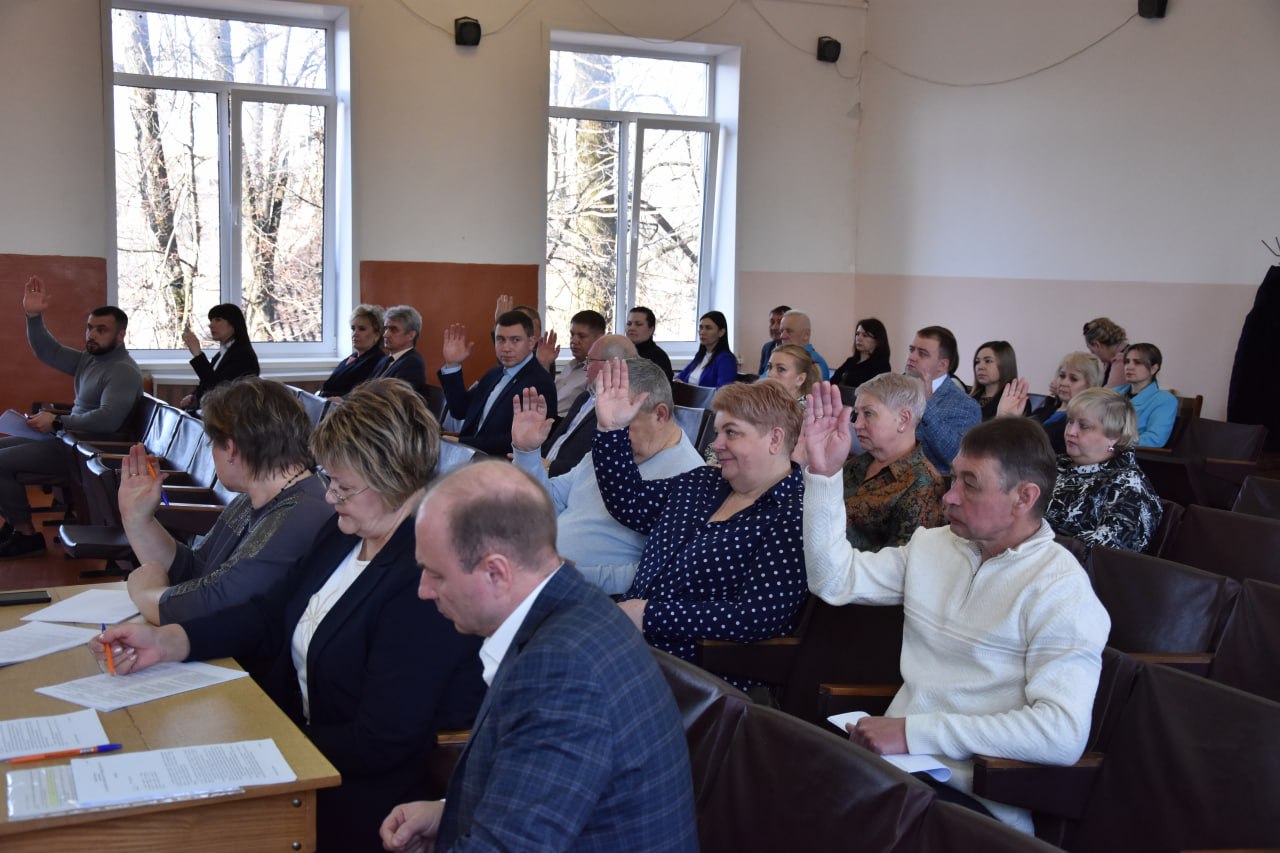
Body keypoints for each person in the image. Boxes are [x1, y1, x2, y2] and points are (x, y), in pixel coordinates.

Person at [95, 380, 486, 852]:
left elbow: (379, 741)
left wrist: (259, 743)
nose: (329, 496)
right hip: (296, 752)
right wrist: (171, 641)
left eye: (343, 486)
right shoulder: (344, 535)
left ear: (392, 479)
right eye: (329, 479)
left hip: (360, 799)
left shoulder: (425, 579)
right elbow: (269, 614)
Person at [801, 401, 1110, 833]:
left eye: (970, 484)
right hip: (896, 769)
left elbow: (1061, 733)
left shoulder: (1060, 588)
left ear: (1024, 497)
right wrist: (823, 475)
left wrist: (914, 733)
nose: (949, 496)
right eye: (955, 477)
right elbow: (833, 580)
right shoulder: (935, 546)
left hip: (975, 798)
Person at [380, 461, 698, 852]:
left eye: (436, 574)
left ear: (496, 573)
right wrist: (450, 813)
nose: (424, 590)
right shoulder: (573, 607)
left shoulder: (561, 674)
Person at [593, 364, 807, 679]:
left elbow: (755, 617)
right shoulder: (704, 482)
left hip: (691, 669)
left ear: (775, 439)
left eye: (731, 432)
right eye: (718, 432)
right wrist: (611, 430)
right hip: (627, 641)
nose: (716, 444)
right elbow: (630, 503)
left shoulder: (791, 515)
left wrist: (649, 615)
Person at [118, 378, 334, 625]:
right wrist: (138, 518)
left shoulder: (301, 513)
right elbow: (195, 571)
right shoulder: (251, 498)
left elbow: (213, 606)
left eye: (213, 443)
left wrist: (145, 593)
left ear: (231, 449)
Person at [513, 357, 703, 594]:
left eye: (622, 421)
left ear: (660, 415)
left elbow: (656, 573)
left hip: (588, 597)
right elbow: (547, 505)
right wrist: (527, 453)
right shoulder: (612, 446)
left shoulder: (690, 477)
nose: (611, 432)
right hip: (538, 573)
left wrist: (569, 577)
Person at [0, 276, 143, 558]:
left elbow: (108, 420)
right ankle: (15, 525)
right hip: (66, 440)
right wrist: (33, 316)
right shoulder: (91, 359)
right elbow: (49, 352)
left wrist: (57, 421)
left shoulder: (122, 370)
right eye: (90, 328)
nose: (92, 335)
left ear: (121, 335)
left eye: (101, 330)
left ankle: (26, 535)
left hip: (86, 452)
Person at [824, 374, 946, 552]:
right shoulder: (857, 464)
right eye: (857, 414)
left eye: (868, 414)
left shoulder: (923, 483)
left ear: (903, 419)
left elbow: (904, 561)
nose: (857, 424)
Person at [1043, 388, 1163, 553]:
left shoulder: (1129, 487)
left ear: (1114, 436)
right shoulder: (1054, 464)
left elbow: (1106, 555)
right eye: (1070, 421)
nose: (1070, 432)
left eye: (1084, 426)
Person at [438, 310, 558, 456]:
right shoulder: (494, 374)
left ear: (531, 342)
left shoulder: (540, 382)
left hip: (501, 464)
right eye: (500, 339)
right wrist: (452, 365)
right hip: (468, 456)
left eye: (515, 340)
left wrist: (464, 443)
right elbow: (460, 410)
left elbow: (523, 440)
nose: (506, 348)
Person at [541, 334, 636, 478]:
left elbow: (596, 467)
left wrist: (549, 467)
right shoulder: (585, 397)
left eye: (590, 361)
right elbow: (557, 441)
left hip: (566, 482)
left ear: (611, 365)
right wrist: (532, 456)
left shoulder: (622, 410)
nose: (585, 368)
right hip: (543, 474)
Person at [904, 325, 981, 475]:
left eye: (923, 353)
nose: (912, 357)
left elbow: (955, 455)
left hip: (927, 482)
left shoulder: (965, 405)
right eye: (912, 349)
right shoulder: (899, 389)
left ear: (942, 365)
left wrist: (927, 406)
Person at [999, 351, 1102, 454]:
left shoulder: (1080, 423)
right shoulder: (1044, 410)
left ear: (1090, 385)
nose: (1064, 383)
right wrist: (1007, 419)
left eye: (1073, 379)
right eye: (1062, 376)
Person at [178, 304, 259, 411]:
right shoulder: (221, 354)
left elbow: (218, 390)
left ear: (233, 324)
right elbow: (206, 383)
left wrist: (197, 354)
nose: (211, 325)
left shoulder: (243, 355)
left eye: (218, 320)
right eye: (211, 320)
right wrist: (194, 397)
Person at [1112, 342, 1177, 447]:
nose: (1129, 367)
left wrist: (1113, 443)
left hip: (1131, 453)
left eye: (1137, 362)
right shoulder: (1113, 393)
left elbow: (1155, 439)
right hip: (1103, 449)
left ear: (1153, 369)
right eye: (1127, 362)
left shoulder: (1165, 400)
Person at [318, 304, 385, 398]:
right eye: (353, 329)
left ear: (376, 335)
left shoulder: (378, 361)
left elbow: (362, 395)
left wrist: (341, 399)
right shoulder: (352, 357)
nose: (354, 334)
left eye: (362, 329)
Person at [549, 309, 606, 417]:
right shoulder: (572, 364)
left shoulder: (598, 373)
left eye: (581, 336)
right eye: (572, 334)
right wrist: (544, 365)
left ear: (600, 339)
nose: (573, 341)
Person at [368, 304, 428, 396]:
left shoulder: (412, 364)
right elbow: (367, 388)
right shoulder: (385, 359)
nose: (385, 335)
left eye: (393, 329)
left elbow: (395, 399)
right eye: (386, 329)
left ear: (410, 335)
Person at [676, 310, 737, 388]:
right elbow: (679, 378)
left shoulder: (726, 359)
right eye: (701, 327)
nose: (702, 332)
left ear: (721, 332)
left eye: (708, 328)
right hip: (688, 395)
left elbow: (722, 391)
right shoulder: (700, 356)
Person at [763, 310, 831, 381]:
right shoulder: (783, 356)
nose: (782, 336)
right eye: (781, 331)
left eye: (789, 331)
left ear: (806, 335)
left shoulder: (813, 363)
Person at [969, 340, 1023, 421]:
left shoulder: (1015, 401)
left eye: (988, 361)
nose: (980, 367)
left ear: (1005, 365)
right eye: (977, 362)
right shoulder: (970, 398)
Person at [831, 318, 892, 389]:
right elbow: (832, 382)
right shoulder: (850, 361)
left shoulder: (882, 366)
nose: (859, 338)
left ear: (877, 341)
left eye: (865, 335)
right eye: (857, 334)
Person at [626, 305, 674, 380]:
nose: (631, 328)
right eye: (629, 324)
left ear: (651, 329)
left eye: (638, 324)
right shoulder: (621, 352)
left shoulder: (658, 358)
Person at [1082, 317, 1127, 386]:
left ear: (1097, 345)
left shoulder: (1122, 360)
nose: (1093, 355)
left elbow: (1108, 392)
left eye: (1092, 351)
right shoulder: (1109, 361)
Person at [757, 304, 791, 375]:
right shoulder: (767, 347)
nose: (774, 327)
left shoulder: (797, 351)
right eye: (772, 322)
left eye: (780, 322)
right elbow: (760, 376)